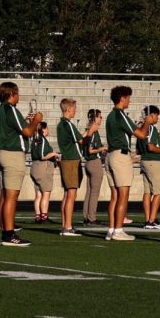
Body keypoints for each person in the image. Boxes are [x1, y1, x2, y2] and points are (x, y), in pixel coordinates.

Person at [0, 82, 43, 247]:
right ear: (12, 94)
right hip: (12, 155)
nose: (19, 96)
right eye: (17, 93)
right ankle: (9, 234)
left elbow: (15, 128)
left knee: (5, 196)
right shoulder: (10, 108)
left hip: (3, 153)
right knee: (12, 198)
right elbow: (27, 132)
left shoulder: (1, 110)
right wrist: (36, 121)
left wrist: (27, 122)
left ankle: (6, 230)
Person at [104, 85, 151, 242]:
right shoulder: (119, 114)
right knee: (123, 195)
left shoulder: (111, 115)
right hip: (120, 156)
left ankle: (111, 230)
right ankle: (118, 230)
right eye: (128, 97)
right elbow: (142, 134)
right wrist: (147, 123)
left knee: (115, 196)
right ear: (122, 98)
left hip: (110, 155)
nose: (129, 100)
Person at [55, 99, 86, 237]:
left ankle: (65, 225)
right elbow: (81, 140)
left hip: (66, 160)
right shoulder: (67, 124)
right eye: (74, 108)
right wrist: (91, 130)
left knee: (67, 194)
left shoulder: (61, 125)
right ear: (68, 109)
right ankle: (68, 226)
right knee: (71, 194)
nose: (75, 110)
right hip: (71, 160)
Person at [137, 104, 160, 230]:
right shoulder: (151, 128)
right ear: (152, 115)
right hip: (153, 161)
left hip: (144, 160)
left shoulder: (141, 128)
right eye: (156, 115)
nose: (157, 118)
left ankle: (148, 219)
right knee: (159, 191)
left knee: (148, 192)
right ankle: (152, 219)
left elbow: (138, 149)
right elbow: (151, 146)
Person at [82, 111, 106, 229]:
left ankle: (87, 217)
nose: (101, 118)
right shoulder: (93, 132)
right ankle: (91, 218)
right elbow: (91, 150)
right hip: (94, 163)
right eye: (99, 116)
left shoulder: (87, 131)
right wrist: (103, 148)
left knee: (89, 192)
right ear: (94, 118)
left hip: (88, 163)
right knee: (94, 193)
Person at [30, 121, 56, 224]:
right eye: (47, 128)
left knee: (38, 194)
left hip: (34, 166)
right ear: (43, 129)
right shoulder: (42, 140)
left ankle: (38, 216)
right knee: (46, 193)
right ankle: (44, 216)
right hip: (42, 167)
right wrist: (54, 154)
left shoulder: (34, 140)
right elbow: (42, 156)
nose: (48, 130)